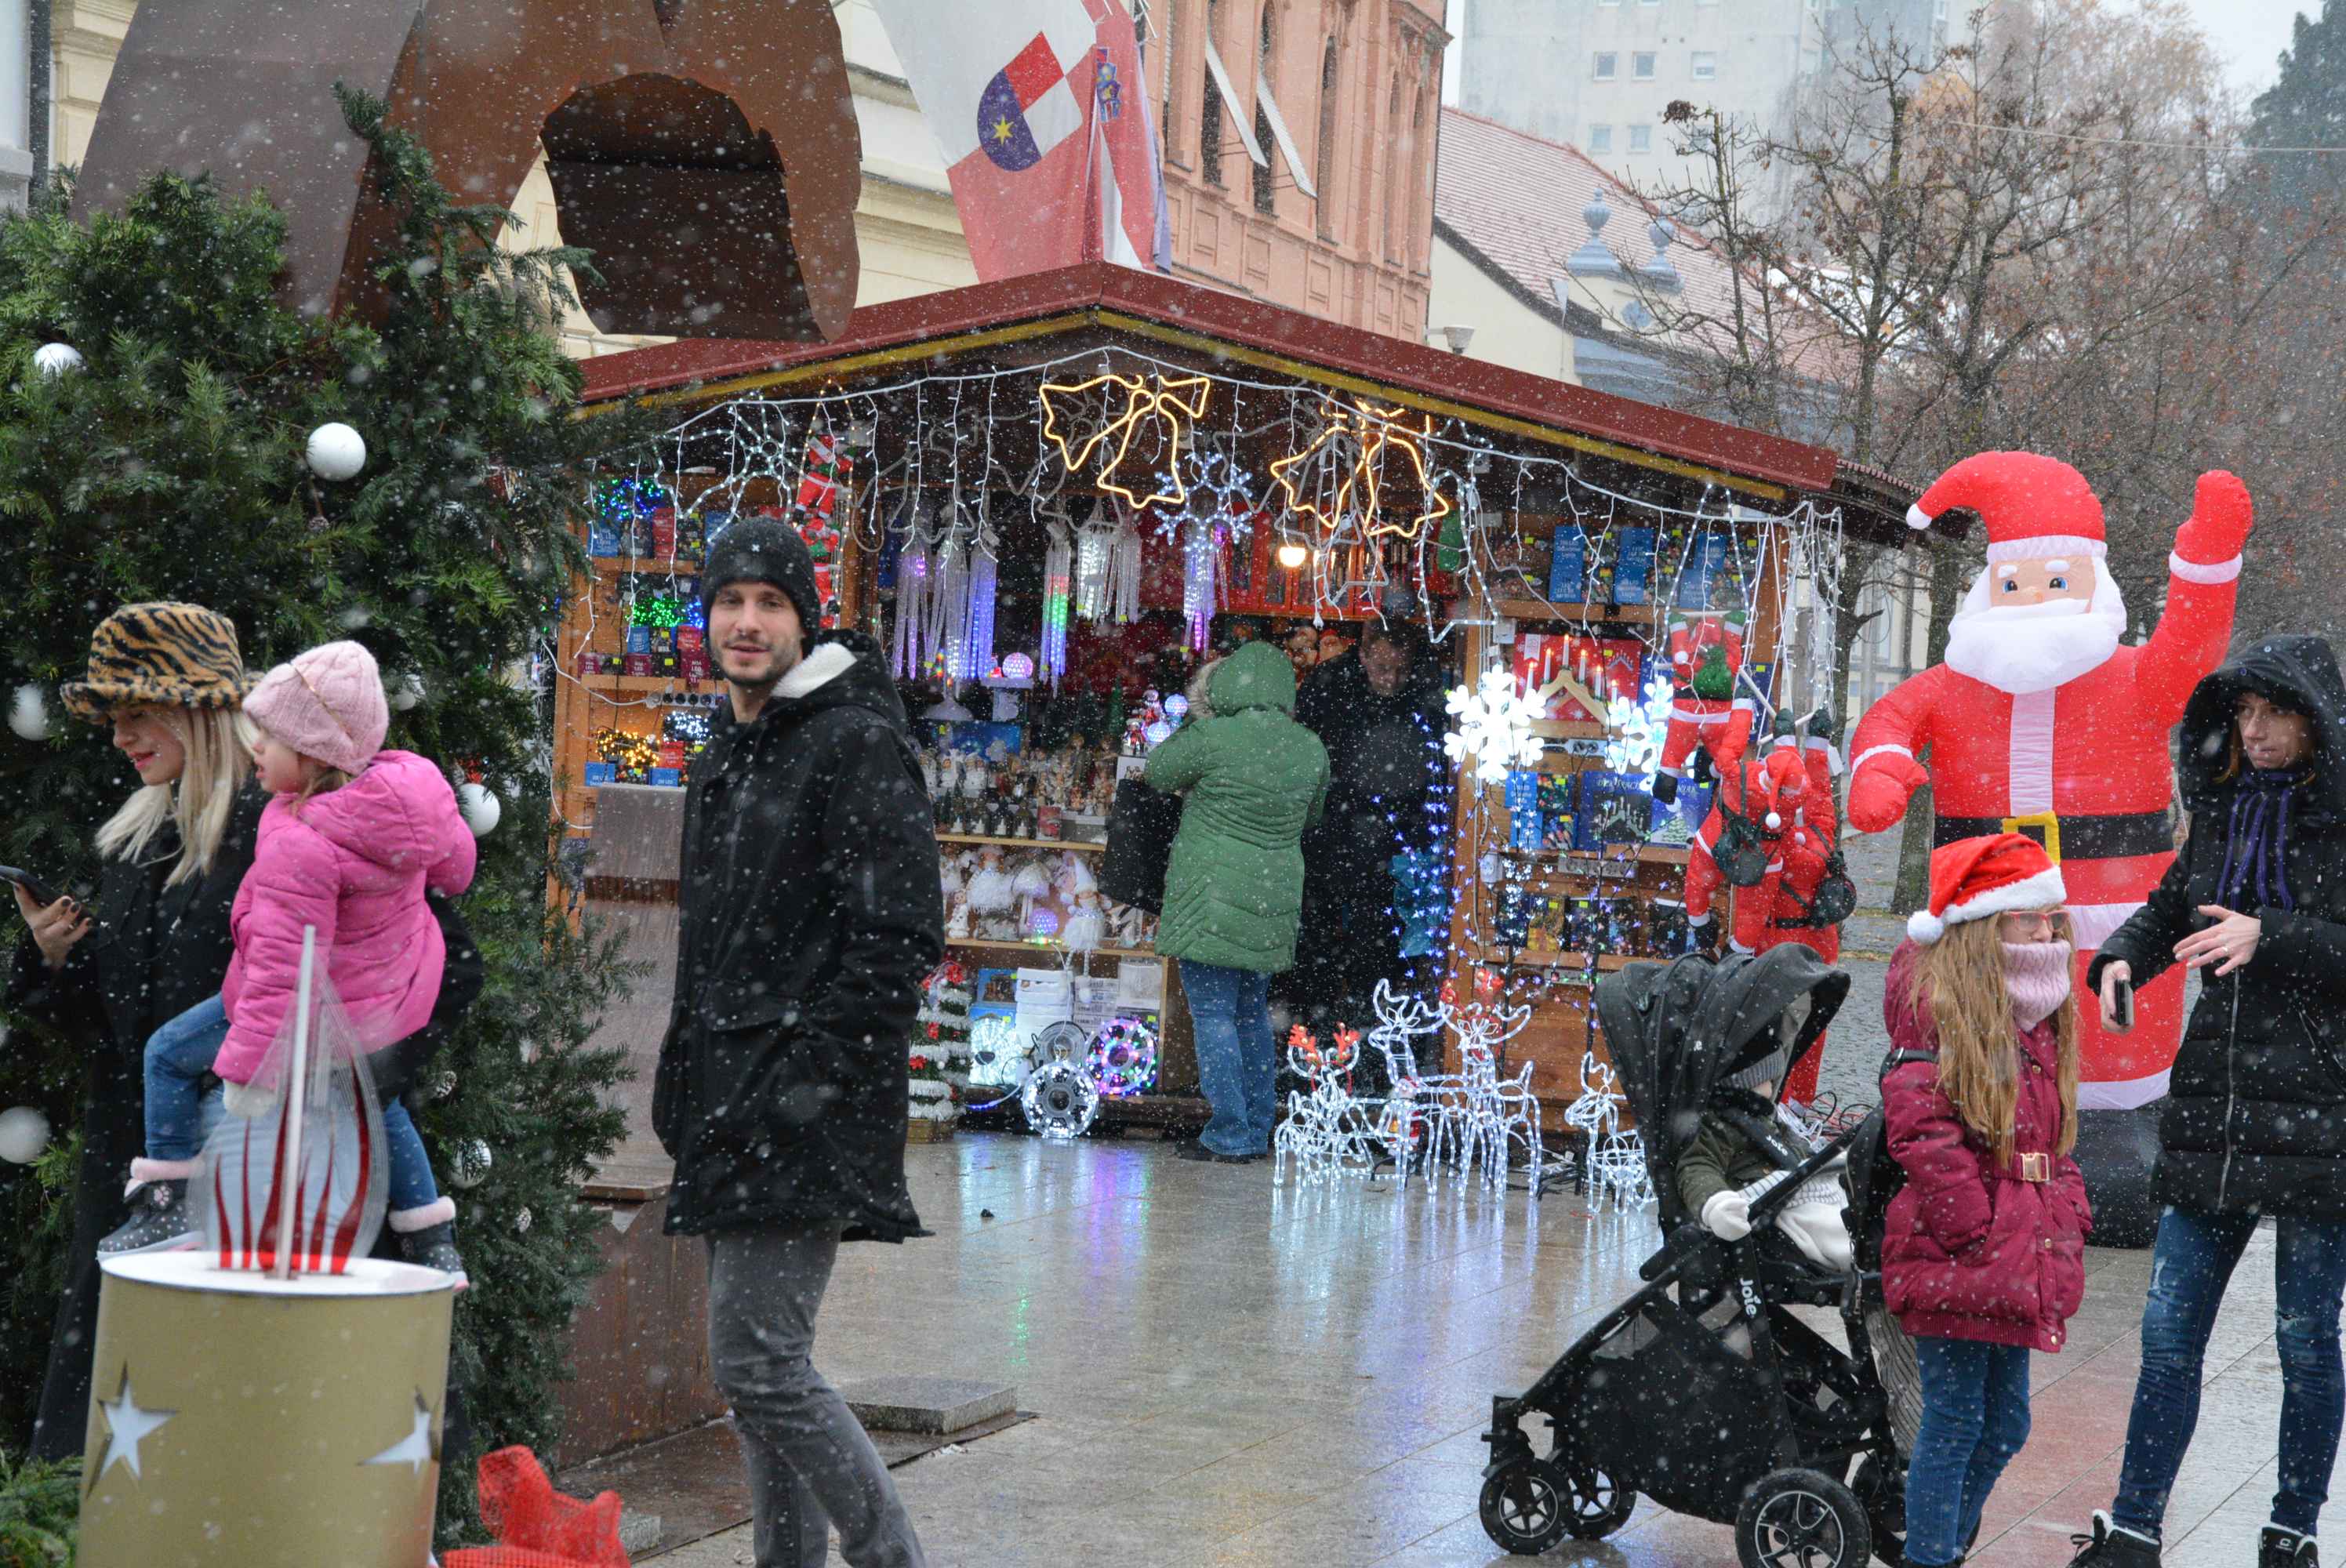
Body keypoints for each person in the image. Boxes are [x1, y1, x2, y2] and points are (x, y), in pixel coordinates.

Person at [5, 604, 478, 1461]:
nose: (120, 736)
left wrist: (352, 1072)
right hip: (142, 1183)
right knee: (135, 1455)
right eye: (111, 717)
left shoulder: (312, 818)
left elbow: (443, 966)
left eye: (138, 713)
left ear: (200, 711)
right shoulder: (136, 839)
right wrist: (52, 960)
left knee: (256, 1453)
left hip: (275, 1183)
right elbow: (120, 1028)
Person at [1847, 459, 2252, 1242]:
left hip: (2117, 898)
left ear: (2092, 586)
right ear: (1986, 592)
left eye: (2056, 581)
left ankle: (2113, 1145)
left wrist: (2205, 563)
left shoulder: (2135, 678)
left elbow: (2190, 652)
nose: (2034, 600)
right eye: (2014, 584)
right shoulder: (1951, 685)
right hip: (1981, 905)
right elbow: (1887, 722)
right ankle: (1979, 1150)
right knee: (1981, 1025)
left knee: (2112, 1022)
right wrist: (1882, 766)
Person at [652, 515, 939, 1568]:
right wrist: (687, 1067)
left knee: (761, 1366)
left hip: (801, 1098)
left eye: (769, 603)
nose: (746, 621)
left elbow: (898, 934)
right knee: (763, 1370)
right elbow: (713, 941)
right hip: (732, 1092)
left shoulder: (849, 741)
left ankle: (890, 1555)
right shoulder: (732, 749)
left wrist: (812, 1071)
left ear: (803, 622)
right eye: (729, 601)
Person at [2068, 637, 2346, 1568]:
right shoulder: (2226, 810)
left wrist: (2275, 935)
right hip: (2213, 1107)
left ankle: (2291, 1531)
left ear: (2314, 716)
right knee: (2167, 1333)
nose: (2254, 731)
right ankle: (2133, 1527)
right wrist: (2120, 960)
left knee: (2305, 1340)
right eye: (2243, 714)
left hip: (2322, 1115)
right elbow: (2171, 906)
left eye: (2273, 712)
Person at [97, 641, 477, 1278]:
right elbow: (455, 869)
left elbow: (282, 969)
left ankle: (168, 1202)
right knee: (378, 1107)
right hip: (382, 1010)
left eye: (269, 739)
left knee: (166, 1054)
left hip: (307, 1016)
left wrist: (251, 1071)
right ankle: (431, 1236)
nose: (255, 748)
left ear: (313, 752)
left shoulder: (299, 840)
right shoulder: (404, 811)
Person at [1883, 832, 2092, 1568]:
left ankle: (1939, 1548)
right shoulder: (1941, 1004)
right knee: (1955, 1422)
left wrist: (2065, 1206)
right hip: (1959, 1248)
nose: (2047, 933)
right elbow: (1919, 1124)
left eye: (2051, 919)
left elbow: (2051, 1132)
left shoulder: (2038, 1007)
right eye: (2030, 918)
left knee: (2003, 1426)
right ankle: (1931, 1557)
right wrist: (1974, 1225)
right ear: (1985, 924)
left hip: (2014, 1242)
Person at [1146, 641, 1330, 1163]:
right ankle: (1255, 1127)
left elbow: (1158, 772)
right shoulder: (1309, 747)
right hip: (1272, 898)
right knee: (1251, 1014)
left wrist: (1199, 718)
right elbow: (1313, 814)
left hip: (1210, 896)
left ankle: (1228, 1133)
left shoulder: (1211, 736)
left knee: (1213, 1014)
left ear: (1222, 688)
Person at [1287, 620, 1447, 1032]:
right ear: (1363, 655)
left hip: (1388, 841)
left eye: (1399, 669)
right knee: (1318, 943)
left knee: (1377, 947)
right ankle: (1314, 1039)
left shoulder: (1425, 689)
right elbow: (1301, 754)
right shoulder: (1328, 685)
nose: (1390, 679)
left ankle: (1369, 1037)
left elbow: (1435, 767)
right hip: (1330, 833)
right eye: (1382, 668)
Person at [1674, 1013, 1853, 1269]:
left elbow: (1797, 1150)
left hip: (1788, 1195)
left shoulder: (1764, 1118)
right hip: (1766, 1210)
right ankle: (1864, 1252)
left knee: (1844, 1205)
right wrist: (1716, 1203)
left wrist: (1826, 1161)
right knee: (1825, 1224)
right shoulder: (1715, 1126)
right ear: (1745, 1082)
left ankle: (1871, 1239)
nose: (1772, 1088)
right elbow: (1696, 1166)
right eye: (1767, 1080)